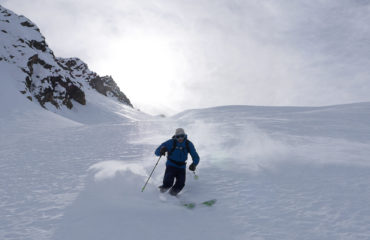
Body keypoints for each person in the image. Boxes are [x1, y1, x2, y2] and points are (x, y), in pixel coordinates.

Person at [155, 128, 200, 196]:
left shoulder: (188, 144)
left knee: (180, 184)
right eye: (178, 136)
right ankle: (160, 194)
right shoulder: (170, 142)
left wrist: (194, 164)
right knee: (168, 182)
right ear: (175, 136)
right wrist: (162, 150)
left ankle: (172, 195)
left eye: (182, 136)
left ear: (184, 135)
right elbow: (156, 152)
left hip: (181, 167)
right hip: (171, 165)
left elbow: (195, 156)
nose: (180, 138)